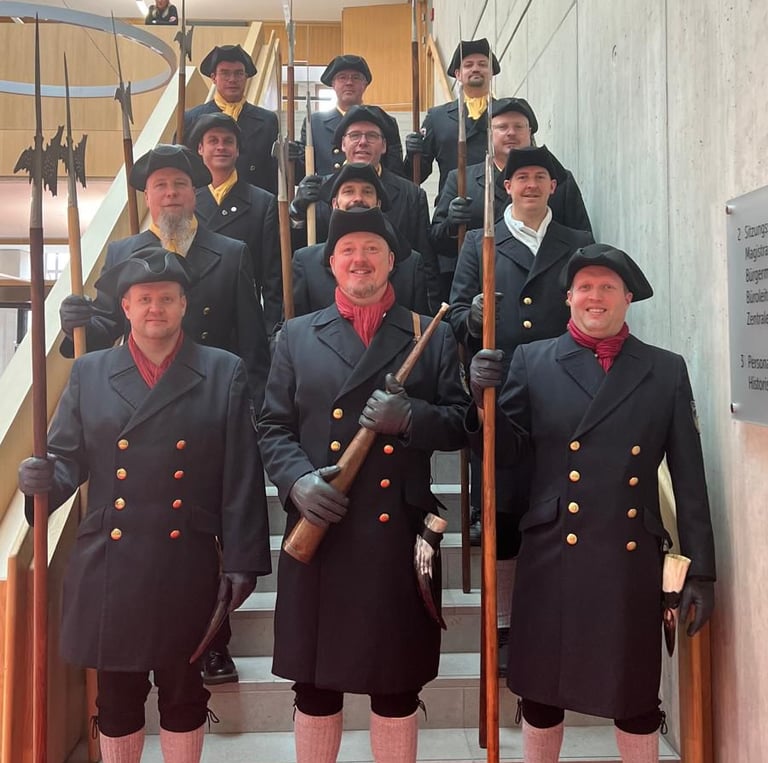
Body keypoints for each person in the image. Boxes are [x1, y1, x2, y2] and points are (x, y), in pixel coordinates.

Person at [18, 249, 271, 763]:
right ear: (126, 307)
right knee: (116, 699)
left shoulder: (223, 370)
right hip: (112, 564)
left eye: (167, 298)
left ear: (184, 305)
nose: (156, 308)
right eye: (144, 299)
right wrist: (41, 480)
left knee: (185, 695)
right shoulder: (89, 371)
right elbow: (67, 458)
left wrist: (243, 560)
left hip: (187, 562)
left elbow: (241, 472)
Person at [468, 244, 716, 763]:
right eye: (584, 287)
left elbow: (690, 478)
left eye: (607, 287)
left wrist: (701, 571)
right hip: (552, 552)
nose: (594, 296)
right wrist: (482, 402)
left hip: (629, 560)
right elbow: (505, 455)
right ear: (568, 298)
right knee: (541, 695)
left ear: (628, 298)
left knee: (635, 698)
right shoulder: (533, 361)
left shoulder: (665, 370)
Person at [257, 207, 467, 763]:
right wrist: (297, 482)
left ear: (391, 261)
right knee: (314, 687)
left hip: (395, 536)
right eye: (348, 250)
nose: (360, 259)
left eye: (372, 249)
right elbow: (272, 427)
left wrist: (412, 418)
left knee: (396, 685)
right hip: (320, 528)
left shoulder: (430, 333)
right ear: (330, 264)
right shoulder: (296, 335)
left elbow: (462, 423)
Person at [449, 145, 593, 670]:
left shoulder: (577, 242)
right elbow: (455, 311)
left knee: (560, 503)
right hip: (505, 390)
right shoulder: (481, 242)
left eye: (540, 177)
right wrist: (473, 315)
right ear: (505, 187)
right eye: (521, 177)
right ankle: (506, 625)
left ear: (554, 186)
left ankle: (559, 617)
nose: (530, 184)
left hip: (566, 388)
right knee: (505, 509)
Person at [58, 144, 271, 413]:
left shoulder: (232, 254)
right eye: (160, 185)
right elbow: (105, 328)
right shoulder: (121, 253)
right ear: (147, 197)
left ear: (194, 193)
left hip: (210, 399)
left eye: (180, 184)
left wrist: (254, 413)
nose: (171, 192)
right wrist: (78, 322)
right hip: (140, 398)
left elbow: (252, 346)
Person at [430, 96, 592, 289]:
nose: (511, 133)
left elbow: (582, 243)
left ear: (530, 132)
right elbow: (436, 241)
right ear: (489, 134)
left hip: (549, 288)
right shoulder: (462, 180)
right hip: (483, 286)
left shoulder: (560, 180)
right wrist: (451, 224)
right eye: (502, 127)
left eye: (519, 127)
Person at [292, 105, 440, 310]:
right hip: (328, 307)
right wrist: (296, 213)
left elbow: (426, 262)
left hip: (394, 307)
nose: (363, 142)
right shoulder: (319, 190)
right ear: (343, 144)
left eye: (371, 136)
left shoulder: (411, 195)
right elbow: (299, 255)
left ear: (384, 145)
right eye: (354, 135)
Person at [292, 162, 429, 317]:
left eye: (367, 192)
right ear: (335, 204)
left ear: (378, 204)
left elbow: (421, 326)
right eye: (348, 191)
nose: (358, 198)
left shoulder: (410, 266)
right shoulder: (306, 263)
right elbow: (292, 328)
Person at [187, 112, 283, 334]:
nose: (221, 147)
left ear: (238, 150)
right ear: (200, 148)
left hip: (241, 324)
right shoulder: (186, 201)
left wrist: (271, 330)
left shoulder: (262, 203)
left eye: (228, 141)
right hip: (193, 323)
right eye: (213, 141)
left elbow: (272, 277)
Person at [404, 38, 498, 195]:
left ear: (491, 72)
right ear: (458, 74)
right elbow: (415, 176)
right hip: (453, 202)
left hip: (495, 202)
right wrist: (413, 154)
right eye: (468, 65)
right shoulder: (437, 117)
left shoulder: (507, 114)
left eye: (482, 64)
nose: (476, 69)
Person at [184, 45, 278, 194]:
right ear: (214, 77)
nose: (232, 79)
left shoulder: (267, 120)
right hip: (204, 202)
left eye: (238, 73)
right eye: (225, 73)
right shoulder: (191, 119)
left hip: (253, 203)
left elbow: (273, 174)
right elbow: (184, 169)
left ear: (246, 77)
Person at [298, 54, 404, 177]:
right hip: (328, 188)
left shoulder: (385, 122)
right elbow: (300, 174)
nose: (349, 82)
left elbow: (397, 172)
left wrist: (413, 154)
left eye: (356, 78)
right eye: (342, 77)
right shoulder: (314, 123)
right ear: (333, 84)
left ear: (365, 85)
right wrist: (292, 158)